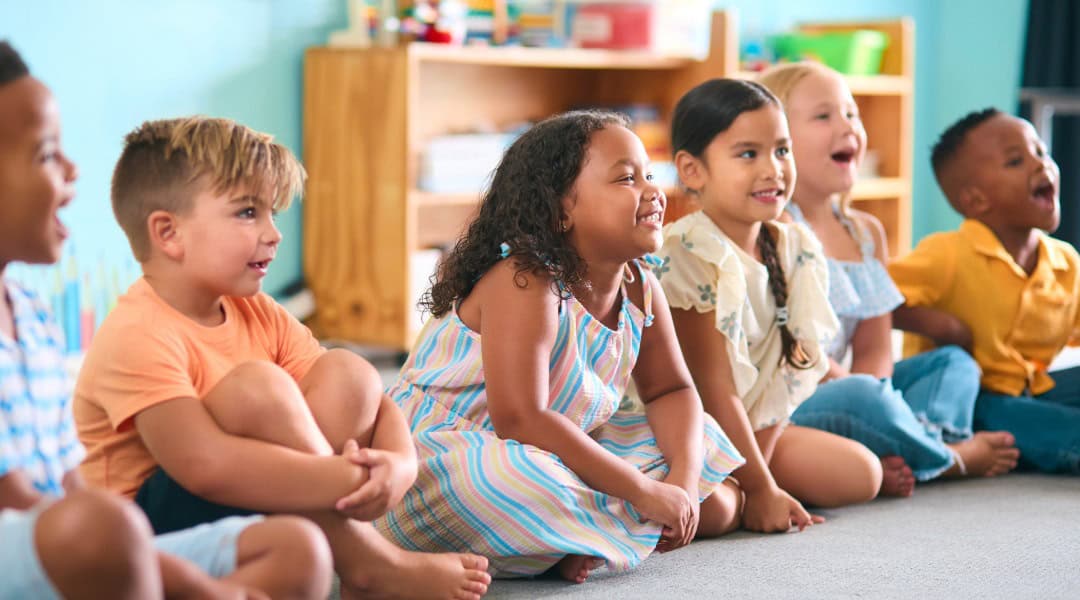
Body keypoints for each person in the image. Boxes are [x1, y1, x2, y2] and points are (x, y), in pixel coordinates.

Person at [72, 115, 491, 598]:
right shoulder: (137, 333)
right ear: (169, 234)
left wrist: (399, 465)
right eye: (248, 212)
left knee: (348, 370)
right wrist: (347, 478)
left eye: (272, 212)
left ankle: (349, 556)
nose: (275, 233)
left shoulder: (257, 311)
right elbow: (205, 465)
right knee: (260, 389)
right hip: (149, 533)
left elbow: (374, 401)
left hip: (251, 507)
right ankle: (368, 561)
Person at [0, 40, 331, 600]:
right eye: (47, 154)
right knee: (102, 527)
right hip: (57, 539)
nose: (75, 168)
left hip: (88, 536)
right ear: (167, 233)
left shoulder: (31, 317)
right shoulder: (138, 327)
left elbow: (68, 488)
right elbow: (27, 505)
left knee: (299, 550)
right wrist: (203, 587)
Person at [374, 110, 745, 583]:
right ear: (560, 211)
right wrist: (642, 491)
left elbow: (671, 391)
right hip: (452, 454)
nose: (652, 191)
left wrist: (684, 483)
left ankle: (567, 539)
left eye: (650, 175)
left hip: (559, 447)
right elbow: (521, 419)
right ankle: (592, 530)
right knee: (505, 481)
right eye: (626, 179)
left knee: (706, 454)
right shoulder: (526, 281)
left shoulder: (641, 287)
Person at [757, 62, 1018, 496]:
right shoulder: (776, 228)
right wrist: (867, 396)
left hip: (860, 392)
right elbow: (802, 355)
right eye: (824, 116)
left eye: (852, 114)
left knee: (953, 362)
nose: (847, 127)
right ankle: (948, 458)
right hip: (800, 395)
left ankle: (915, 440)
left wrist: (876, 392)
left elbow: (877, 348)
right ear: (777, 143)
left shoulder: (865, 233)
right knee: (864, 398)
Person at [656, 78, 883, 534]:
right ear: (692, 170)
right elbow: (714, 391)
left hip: (752, 427)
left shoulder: (794, 245)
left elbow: (789, 373)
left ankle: (745, 482)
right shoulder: (685, 252)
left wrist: (757, 467)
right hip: (678, 432)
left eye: (782, 150)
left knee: (864, 474)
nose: (773, 169)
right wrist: (760, 489)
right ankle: (738, 490)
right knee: (719, 512)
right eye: (748, 154)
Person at [889, 107, 1080, 474]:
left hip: (1035, 390)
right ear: (975, 200)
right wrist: (942, 326)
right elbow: (875, 298)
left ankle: (1040, 440)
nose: (1041, 165)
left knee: (1036, 413)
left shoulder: (1065, 262)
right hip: (967, 402)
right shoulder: (946, 253)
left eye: (1040, 151)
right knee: (1023, 417)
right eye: (1015, 161)